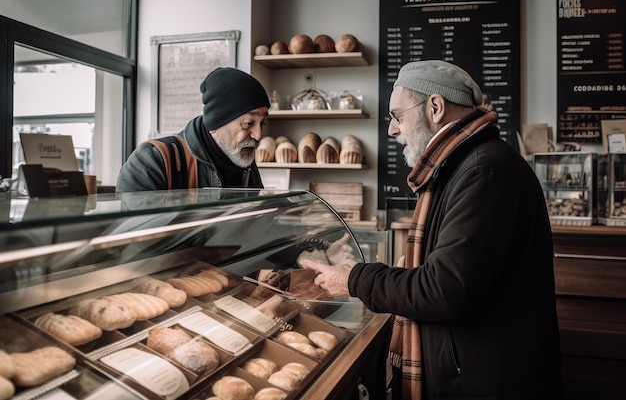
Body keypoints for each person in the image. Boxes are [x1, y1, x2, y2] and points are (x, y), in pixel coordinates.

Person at [300, 60, 563, 400]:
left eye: (397, 115)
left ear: (435, 107)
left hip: (488, 383)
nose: (392, 130)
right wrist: (412, 265)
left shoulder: (483, 174)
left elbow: (443, 290)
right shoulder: (468, 165)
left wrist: (352, 279)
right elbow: (457, 272)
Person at [116, 67, 270, 192]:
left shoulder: (242, 158)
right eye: (248, 124)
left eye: (262, 123)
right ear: (216, 122)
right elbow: (133, 227)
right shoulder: (151, 161)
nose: (258, 135)